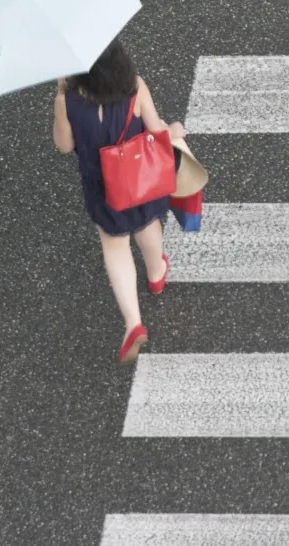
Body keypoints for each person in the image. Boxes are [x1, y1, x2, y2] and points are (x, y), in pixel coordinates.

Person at [52, 41, 186, 365]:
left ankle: (133, 322)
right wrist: (176, 130)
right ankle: (156, 274)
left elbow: (63, 144)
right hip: (142, 177)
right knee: (148, 226)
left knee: (114, 246)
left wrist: (60, 94)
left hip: (103, 186)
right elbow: (156, 128)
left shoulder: (68, 99)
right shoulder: (134, 87)